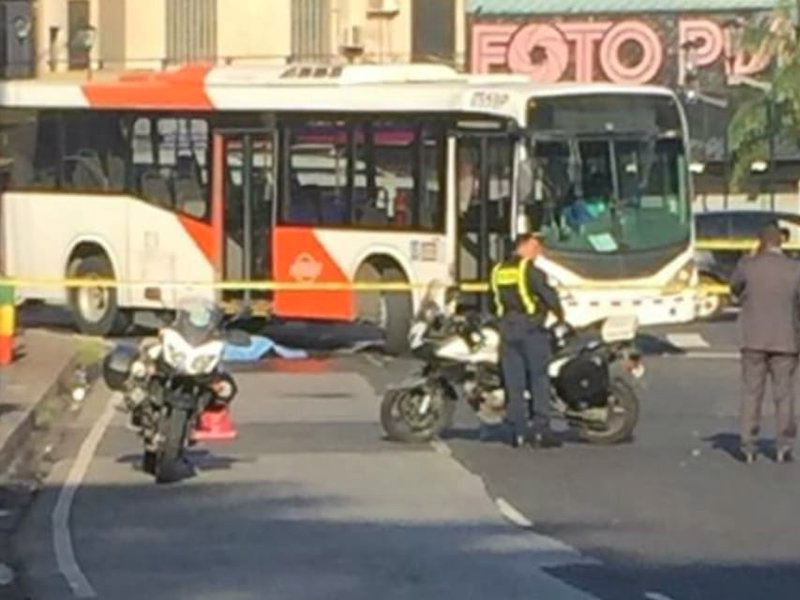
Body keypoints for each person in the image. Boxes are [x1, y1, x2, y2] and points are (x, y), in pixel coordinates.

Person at [730, 223, 800, 464]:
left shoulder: (748, 266)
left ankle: (748, 445)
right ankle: (784, 445)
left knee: (751, 393)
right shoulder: (794, 269)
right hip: (786, 339)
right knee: (785, 394)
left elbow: (734, 288)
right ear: (781, 242)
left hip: (753, 338)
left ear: (760, 241)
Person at [491, 233, 564, 449]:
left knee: (514, 383)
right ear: (522, 246)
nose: (538, 251)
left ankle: (517, 432)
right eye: (535, 246)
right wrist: (560, 315)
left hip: (507, 329)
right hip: (531, 330)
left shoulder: (498, 271)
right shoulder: (530, 270)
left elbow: (493, 300)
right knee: (539, 379)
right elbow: (548, 296)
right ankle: (541, 431)